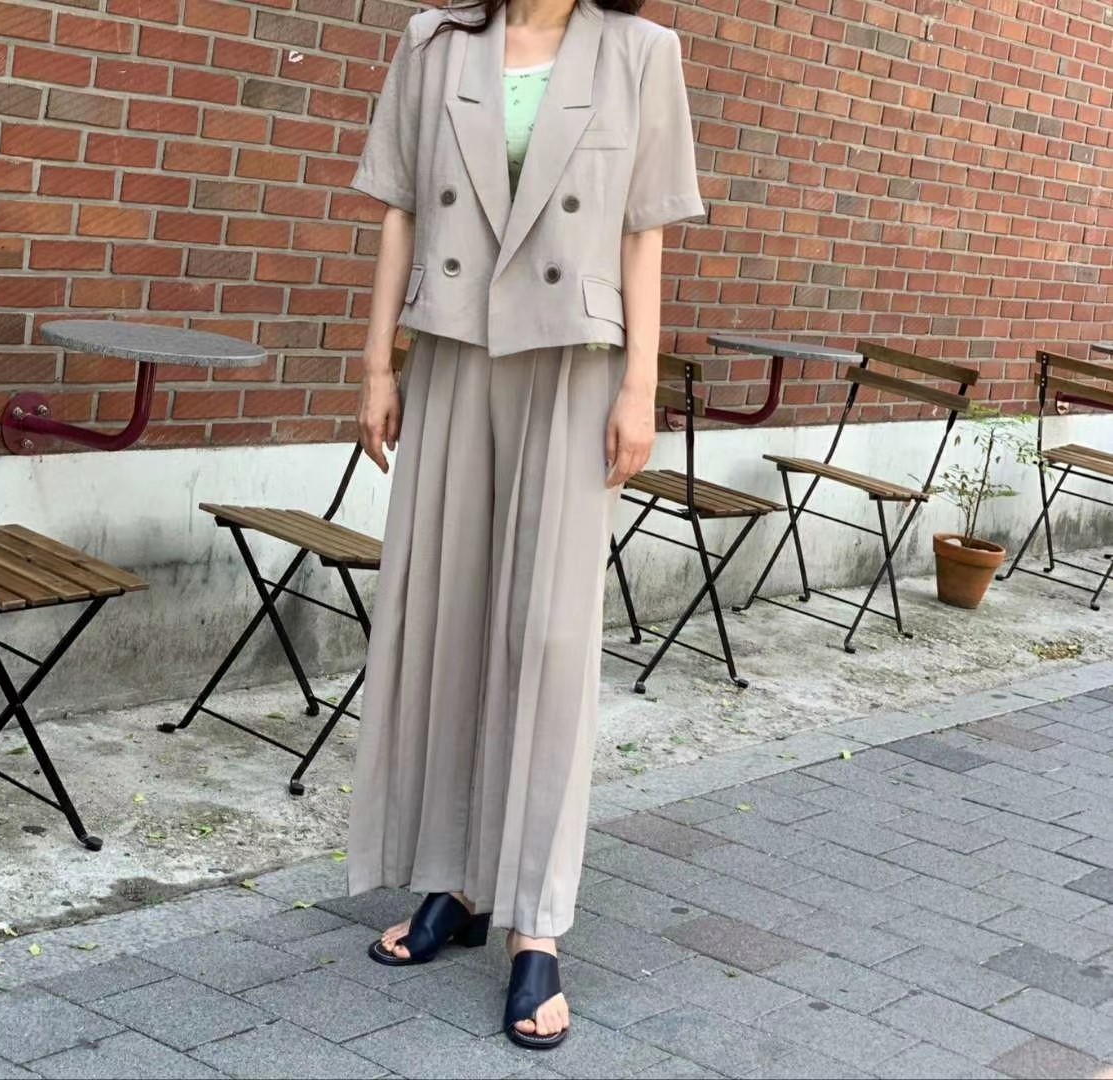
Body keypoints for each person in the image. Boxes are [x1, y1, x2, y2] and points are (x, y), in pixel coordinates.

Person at [346, 0, 703, 1049]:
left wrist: (640, 388)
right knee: (447, 617)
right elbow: (398, 209)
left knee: (547, 640)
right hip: (454, 350)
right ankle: (453, 881)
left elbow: (641, 231)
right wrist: (376, 364)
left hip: (576, 365)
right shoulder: (435, 42)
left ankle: (535, 922)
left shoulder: (640, 52)